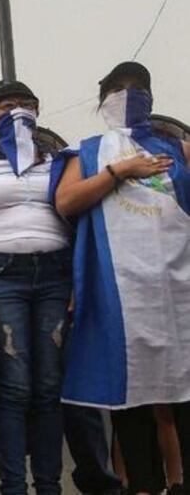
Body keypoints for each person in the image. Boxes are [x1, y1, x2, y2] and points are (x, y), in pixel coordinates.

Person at [55, 62, 190, 495]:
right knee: (130, 390)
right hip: (120, 287)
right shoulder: (87, 151)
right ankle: (143, 485)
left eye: (137, 89)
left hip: (178, 287)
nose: (128, 96)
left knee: (182, 389)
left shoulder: (179, 149)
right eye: (117, 90)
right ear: (102, 101)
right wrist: (122, 171)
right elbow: (66, 202)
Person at [0, 80, 72, 494]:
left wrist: (77, 285)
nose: (19, 111)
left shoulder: (59, 160)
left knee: (49, 388)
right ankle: (13, 487)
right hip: (2, 276)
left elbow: (75, 217)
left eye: (28, 104)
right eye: (8, 106)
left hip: (55, 275)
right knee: (14, 387)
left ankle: (48, 485)